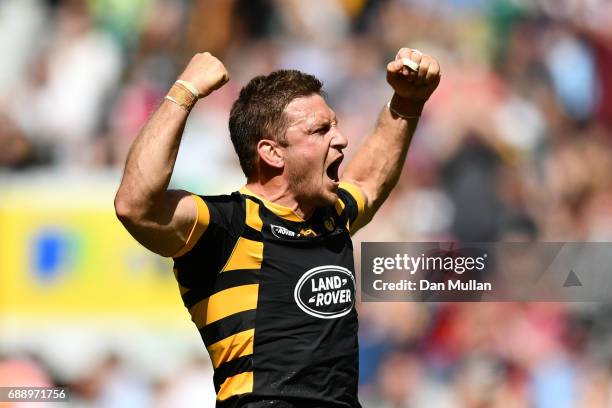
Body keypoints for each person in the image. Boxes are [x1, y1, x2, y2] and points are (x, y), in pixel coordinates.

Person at [114, 48, 441, 407]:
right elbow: (135, 206)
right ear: (272, 153)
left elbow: (369, 182)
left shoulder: (330, 215)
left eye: (334, 125)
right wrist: (184, 90)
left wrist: (408, 100)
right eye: (319, 131)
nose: (341, 138)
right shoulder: (227, 224)